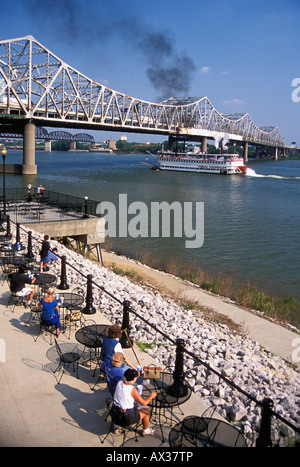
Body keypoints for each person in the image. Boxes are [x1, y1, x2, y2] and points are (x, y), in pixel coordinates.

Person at [112, 368, 157, 436]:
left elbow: (130, 379)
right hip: (126, 418)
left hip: (114, 413)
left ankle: (116, 426)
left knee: (122, 405)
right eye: (135, 378)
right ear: (133, 379)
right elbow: (144, 403)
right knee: (145, 411)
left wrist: (138, 374)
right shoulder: (132, 390)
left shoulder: (119, 382)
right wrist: (151, 396)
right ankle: (146, 431)